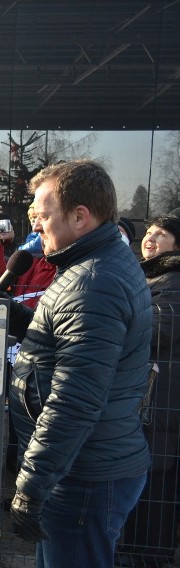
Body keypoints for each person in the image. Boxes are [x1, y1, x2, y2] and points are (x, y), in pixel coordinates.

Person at [0, 160, 152, 567]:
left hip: (82, 475)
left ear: (80, 216)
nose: (35, 227)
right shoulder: (94, 266)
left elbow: (75, 398)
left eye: (43, 216)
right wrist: (27, 325)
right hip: (86, 464)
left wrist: (32, 485)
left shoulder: (93, 282)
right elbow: (78, 355)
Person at [116, 216, 180, 567]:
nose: (151, 238)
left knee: (154, 485)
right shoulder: (149, 276)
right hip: (146, 398)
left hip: (160, 402)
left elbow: (158, 333)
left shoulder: (172, 281)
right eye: (150, 232)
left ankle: (146, 555)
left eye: (162, 233)